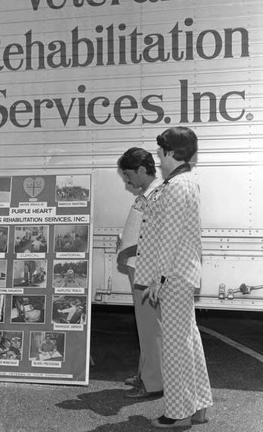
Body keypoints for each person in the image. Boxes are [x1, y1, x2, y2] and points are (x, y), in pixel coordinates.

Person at [134, 127, 213, 428]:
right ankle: (200, 405)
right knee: (188, 340)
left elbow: (170, 237)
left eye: (160, 152)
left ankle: (179, 413)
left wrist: (158, 279)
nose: (159, 158)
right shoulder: (183, 182)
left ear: (169, 153)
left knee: (176, 347)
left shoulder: (178, 185)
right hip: (181, 273)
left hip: (174, 274)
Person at [117, 147, 163, 399]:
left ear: (142, 170)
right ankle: (146, 374)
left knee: (150, 328)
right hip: (140, 267)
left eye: (128, 174)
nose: (126, 180)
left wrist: (128, 250)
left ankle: (153, 383)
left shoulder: (157, 194)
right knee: (145, 327)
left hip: (146, 269)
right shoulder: (148, 193)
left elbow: (157, 237)